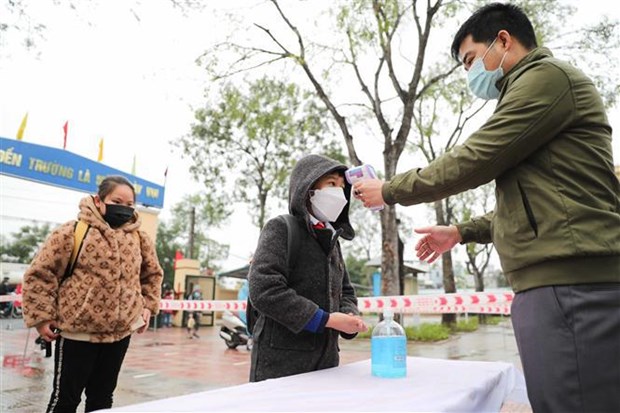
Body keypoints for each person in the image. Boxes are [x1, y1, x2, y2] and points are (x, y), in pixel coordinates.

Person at [353, 3, 620, 412]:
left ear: (503, 40)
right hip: (556, 282)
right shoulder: (531, 90)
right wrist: (461, 232)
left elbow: (477, 157)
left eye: (471, 60)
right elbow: (541, 203)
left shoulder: (545, 79)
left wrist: (391, 189)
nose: (469, 74)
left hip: (572, 285)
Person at [22, 175, 164, 413]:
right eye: (117, 201)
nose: (124, 208)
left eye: (130, 204)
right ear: (99, 200)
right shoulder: (72, 231)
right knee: (64, 401)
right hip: (78, 333)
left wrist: (148, 306)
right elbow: (40, 273)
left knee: (102, 400)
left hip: (120, 335)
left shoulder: (140, 238)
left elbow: (152, 275)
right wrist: (42, 317)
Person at [248, 154, 368, 382]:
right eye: (331, 184)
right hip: (280, 367)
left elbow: (347, 292)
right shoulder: (281, 229)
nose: (339, 193)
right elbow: (264, 290)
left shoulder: (333, 240)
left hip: (327, 365)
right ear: (308, 188)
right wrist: (326, 319)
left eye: (342, 187)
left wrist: (350, 316)